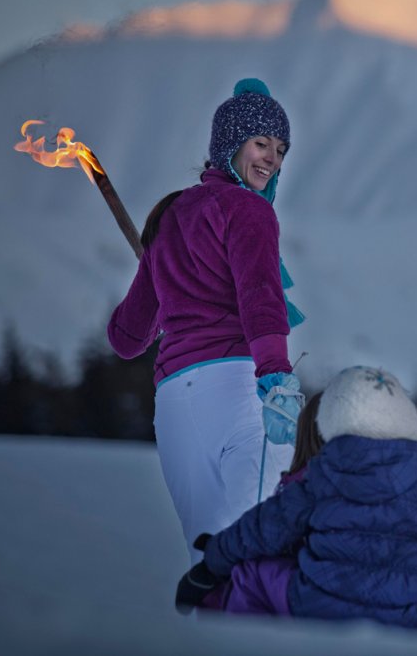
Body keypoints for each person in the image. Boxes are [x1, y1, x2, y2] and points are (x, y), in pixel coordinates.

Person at [107, 77, 306, 563]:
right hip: (238, 391)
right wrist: (276, 377)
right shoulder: (249, 210)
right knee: (259, 552)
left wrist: (165, 270)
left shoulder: (170, 215)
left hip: (175, 404)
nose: (272, 160)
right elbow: (261, 298)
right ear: (231, 144)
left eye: (281, 149)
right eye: (262, 144)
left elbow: (127, 337)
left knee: (209, 563)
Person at [175, 366, 417, 638]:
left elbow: (262, 529)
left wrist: (213, 562)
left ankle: (246, 643)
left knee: (250, 574)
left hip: (317, 605)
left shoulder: (322, 475)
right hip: (414, 614)